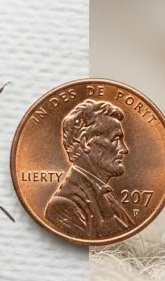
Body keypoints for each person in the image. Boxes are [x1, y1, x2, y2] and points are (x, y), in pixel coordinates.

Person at [45, 100, 134, 237]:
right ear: (85, 142)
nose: (124, 149)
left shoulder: (104, 195)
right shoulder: (64, 205)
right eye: (115, 140)